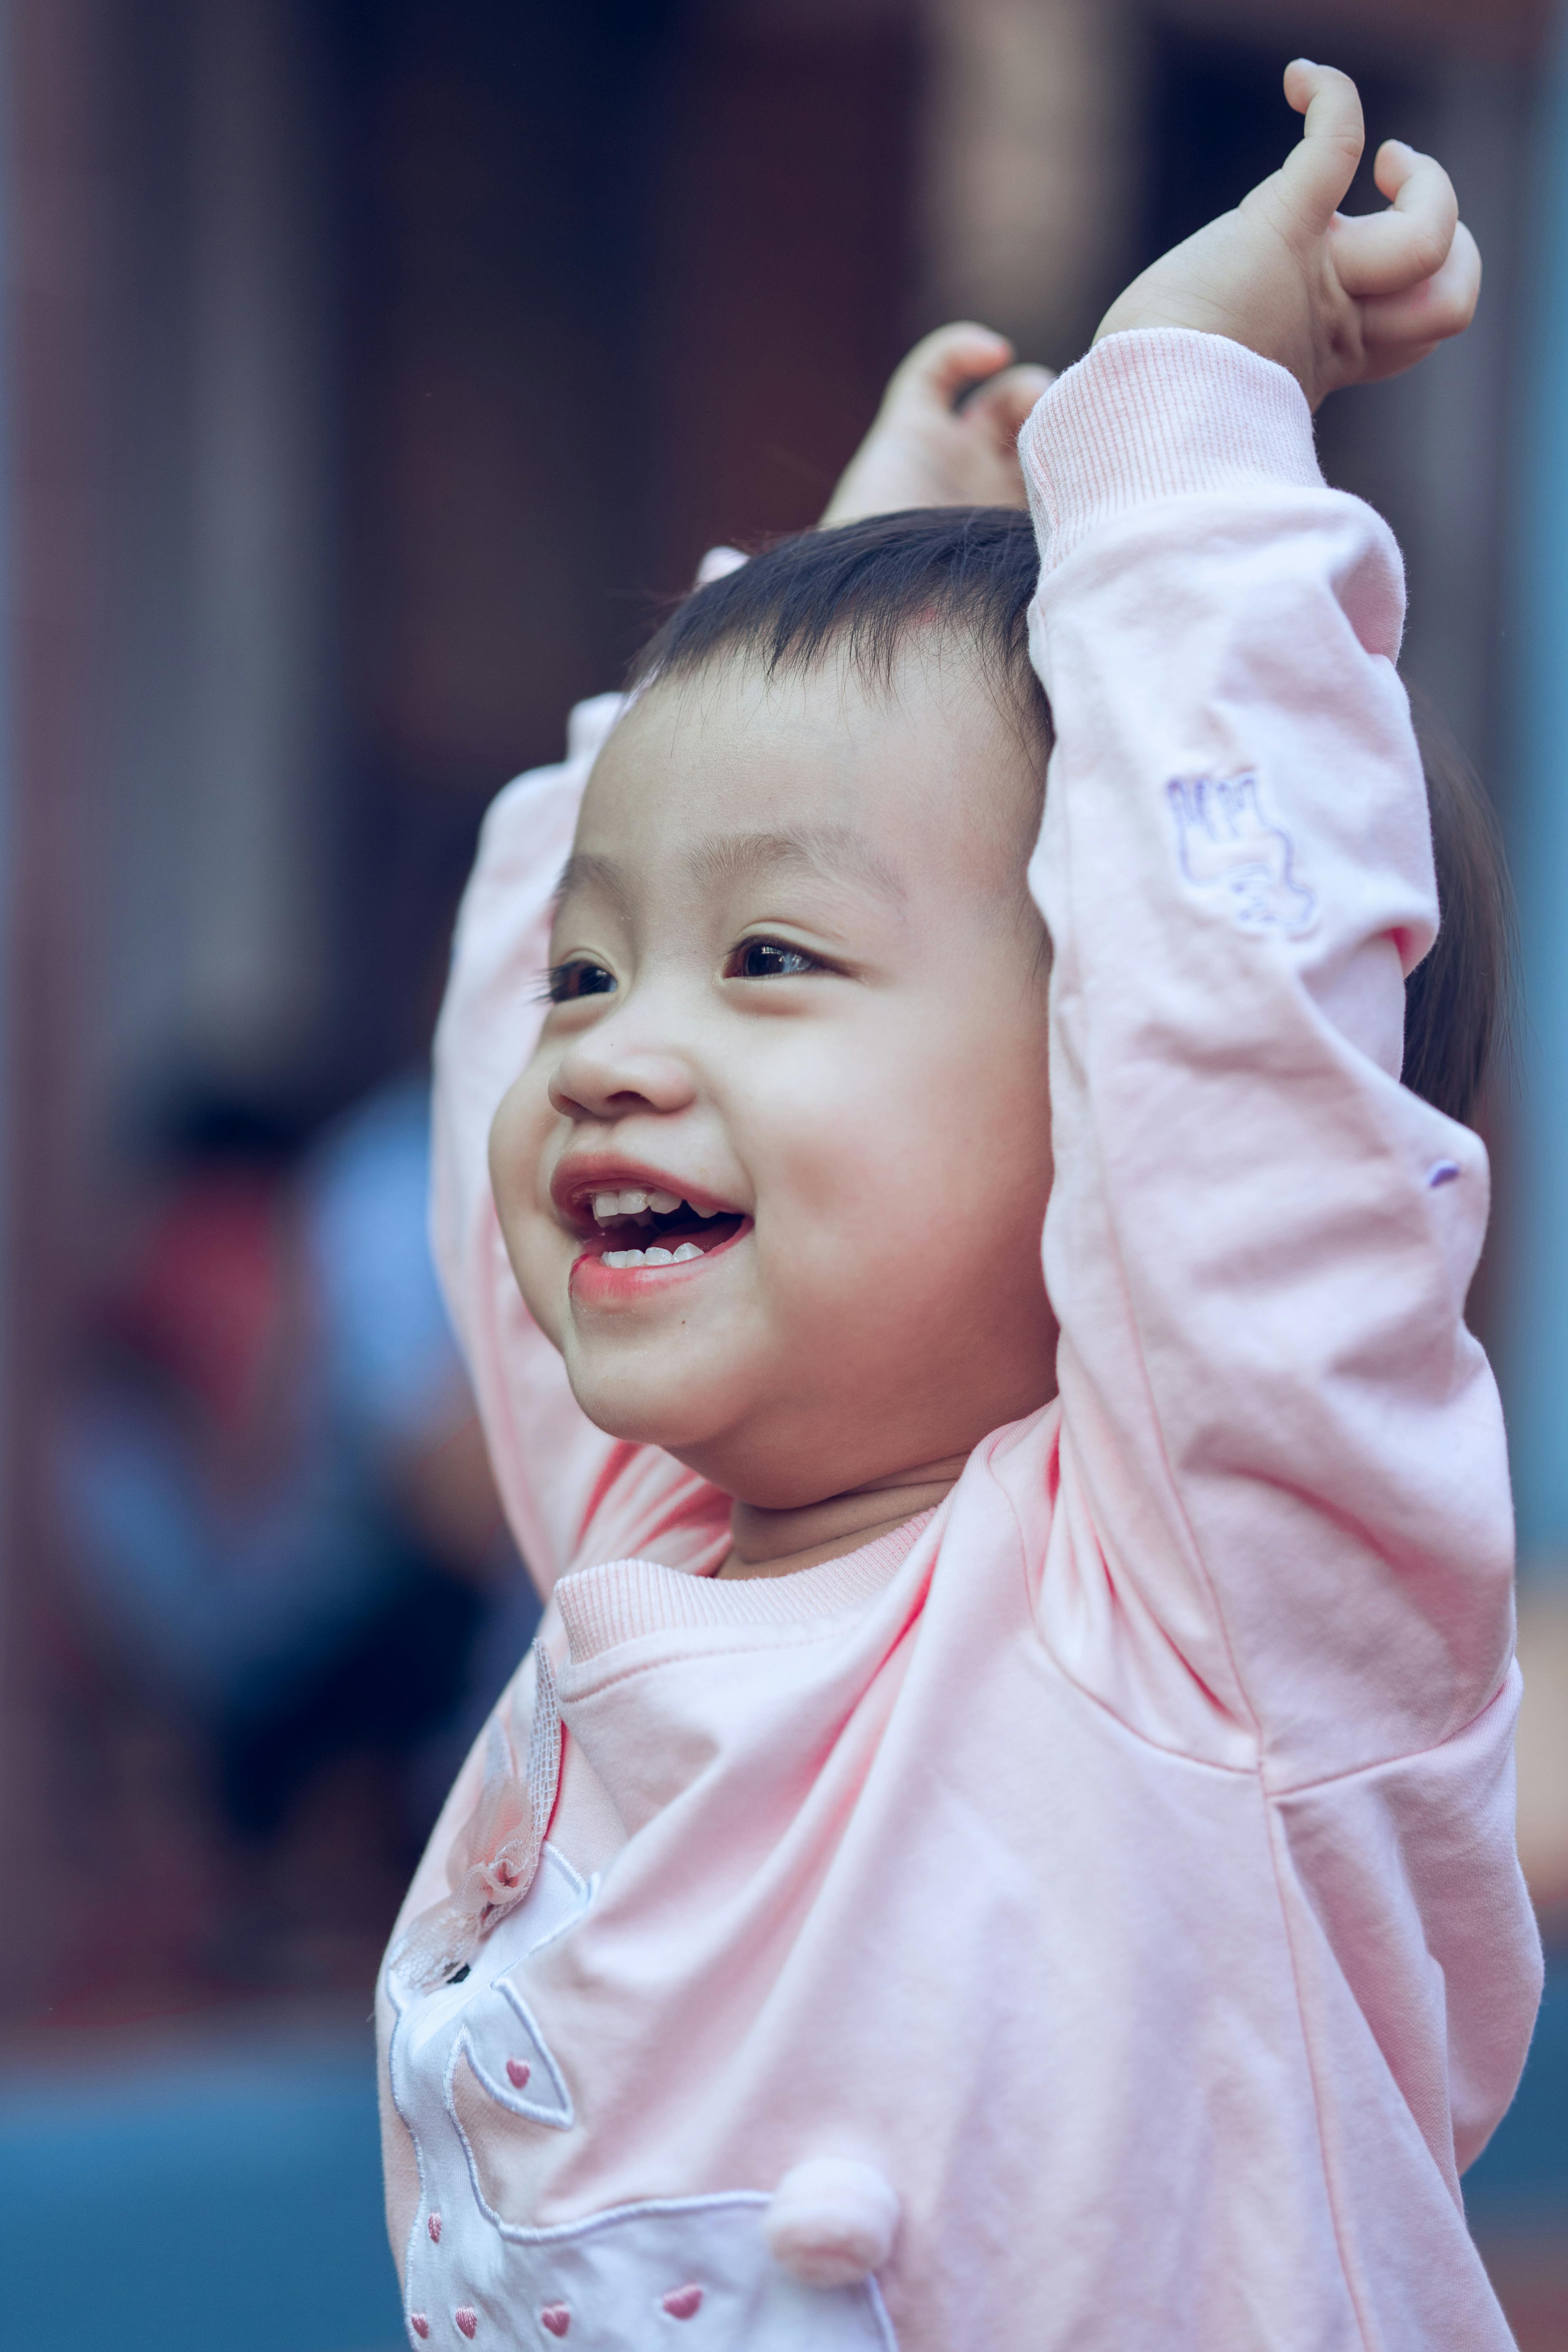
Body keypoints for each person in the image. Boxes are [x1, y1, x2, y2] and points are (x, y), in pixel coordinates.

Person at [376, 63, 1540, 2351]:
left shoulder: (1210, 1629)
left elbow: (1240, 1078)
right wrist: (806, 591)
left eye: (775, 960)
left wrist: (1184, 433)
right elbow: (502, 1153)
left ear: (1106, 1069)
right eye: (592, 974)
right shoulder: (646, 1532)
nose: (603, 1043)